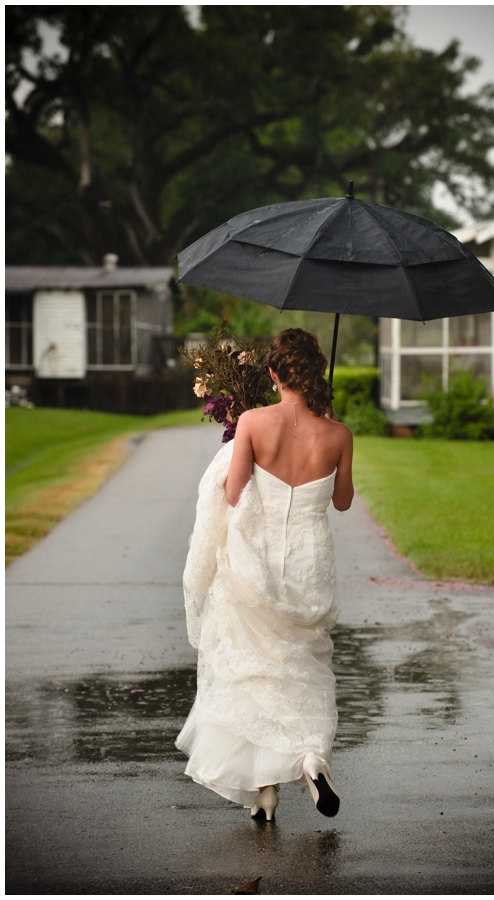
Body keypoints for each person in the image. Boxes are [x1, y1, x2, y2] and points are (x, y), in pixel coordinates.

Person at [177, 328, 354, 823]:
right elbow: (341, 502)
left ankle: (266, 792)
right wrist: (332, 438)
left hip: (255, 564)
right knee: (301, 667)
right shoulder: (339, 434)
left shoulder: (253, 422)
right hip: (310, 563)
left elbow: (234, 494)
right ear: (316, 374)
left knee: (255, 673)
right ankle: (310, 759)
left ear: (274, 374)